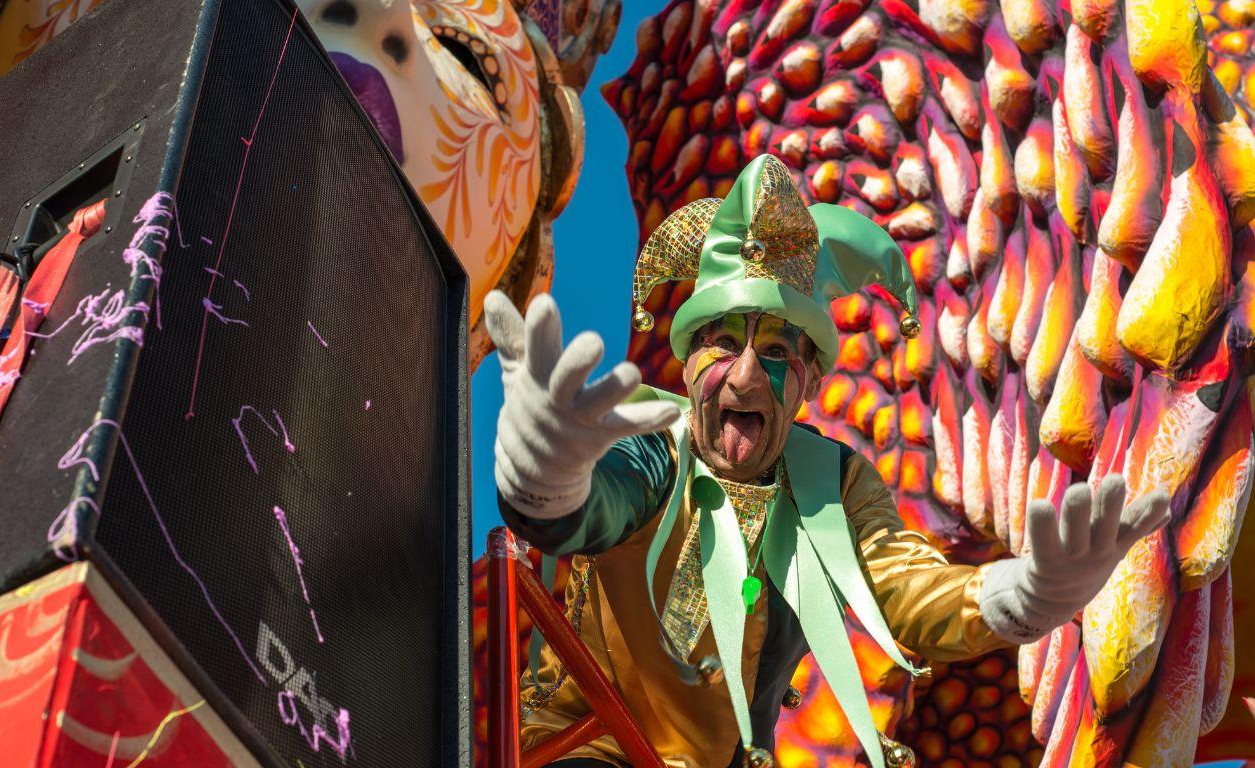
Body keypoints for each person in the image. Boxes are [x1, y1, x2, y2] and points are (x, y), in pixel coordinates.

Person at [485, 154, 1170, 768]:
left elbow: (906, 590)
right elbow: (598, 505)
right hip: (591, 749)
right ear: (688, 363)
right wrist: (544, 480)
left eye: (776, 353)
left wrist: (1023, 597)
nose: (745, 376)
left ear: (810, 382)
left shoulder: (831, 486)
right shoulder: (652, 442)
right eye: (722, 343)